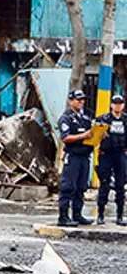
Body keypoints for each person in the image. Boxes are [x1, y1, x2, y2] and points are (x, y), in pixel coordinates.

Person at [57, 89, 96, 227]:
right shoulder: (66, 118)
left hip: (85, 157)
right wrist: (83, 136)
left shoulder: (85, 119)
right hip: (73, 156)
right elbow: (66, 138)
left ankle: (77, 214)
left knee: (81, 187)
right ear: (71, 101)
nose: (81, 102)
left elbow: (91, 134)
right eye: (78, 99)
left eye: (82, 100)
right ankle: (63, 217)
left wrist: (98, 136)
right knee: (68, 187)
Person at [93, 94, 126, 226]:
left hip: (120, 154)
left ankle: (120, 216)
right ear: (111, 104)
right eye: (115, 103)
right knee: (104, 184)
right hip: (106, 154)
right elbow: (94, 134)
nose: (118, 106)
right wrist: (98, 145)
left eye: (120, 103)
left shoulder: (126, 119)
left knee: (121, 185)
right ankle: (100, 215)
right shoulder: (103, 119)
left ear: (123, 105)